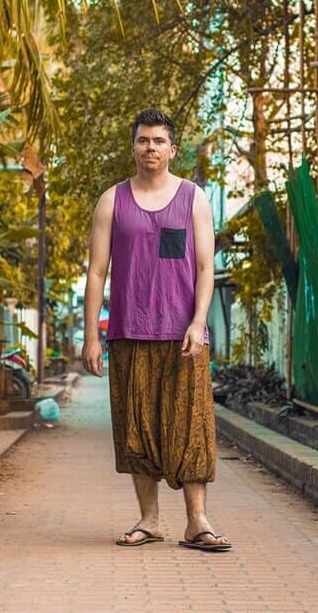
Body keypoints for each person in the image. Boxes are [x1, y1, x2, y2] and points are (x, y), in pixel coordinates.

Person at [81, 108, 231, 552]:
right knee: (136, 428)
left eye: (159, 141)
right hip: (129, 332)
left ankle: (197, 521)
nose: (151, 148)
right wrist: (93, 335)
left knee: (192, 427)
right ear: (134, 146)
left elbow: (206, 266)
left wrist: (199, 321)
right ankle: (149, 521)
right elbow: (96, 273)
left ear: (172, 148)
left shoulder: (193, 198)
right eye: (143, 140)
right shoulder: (112, 201)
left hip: (184, 335)